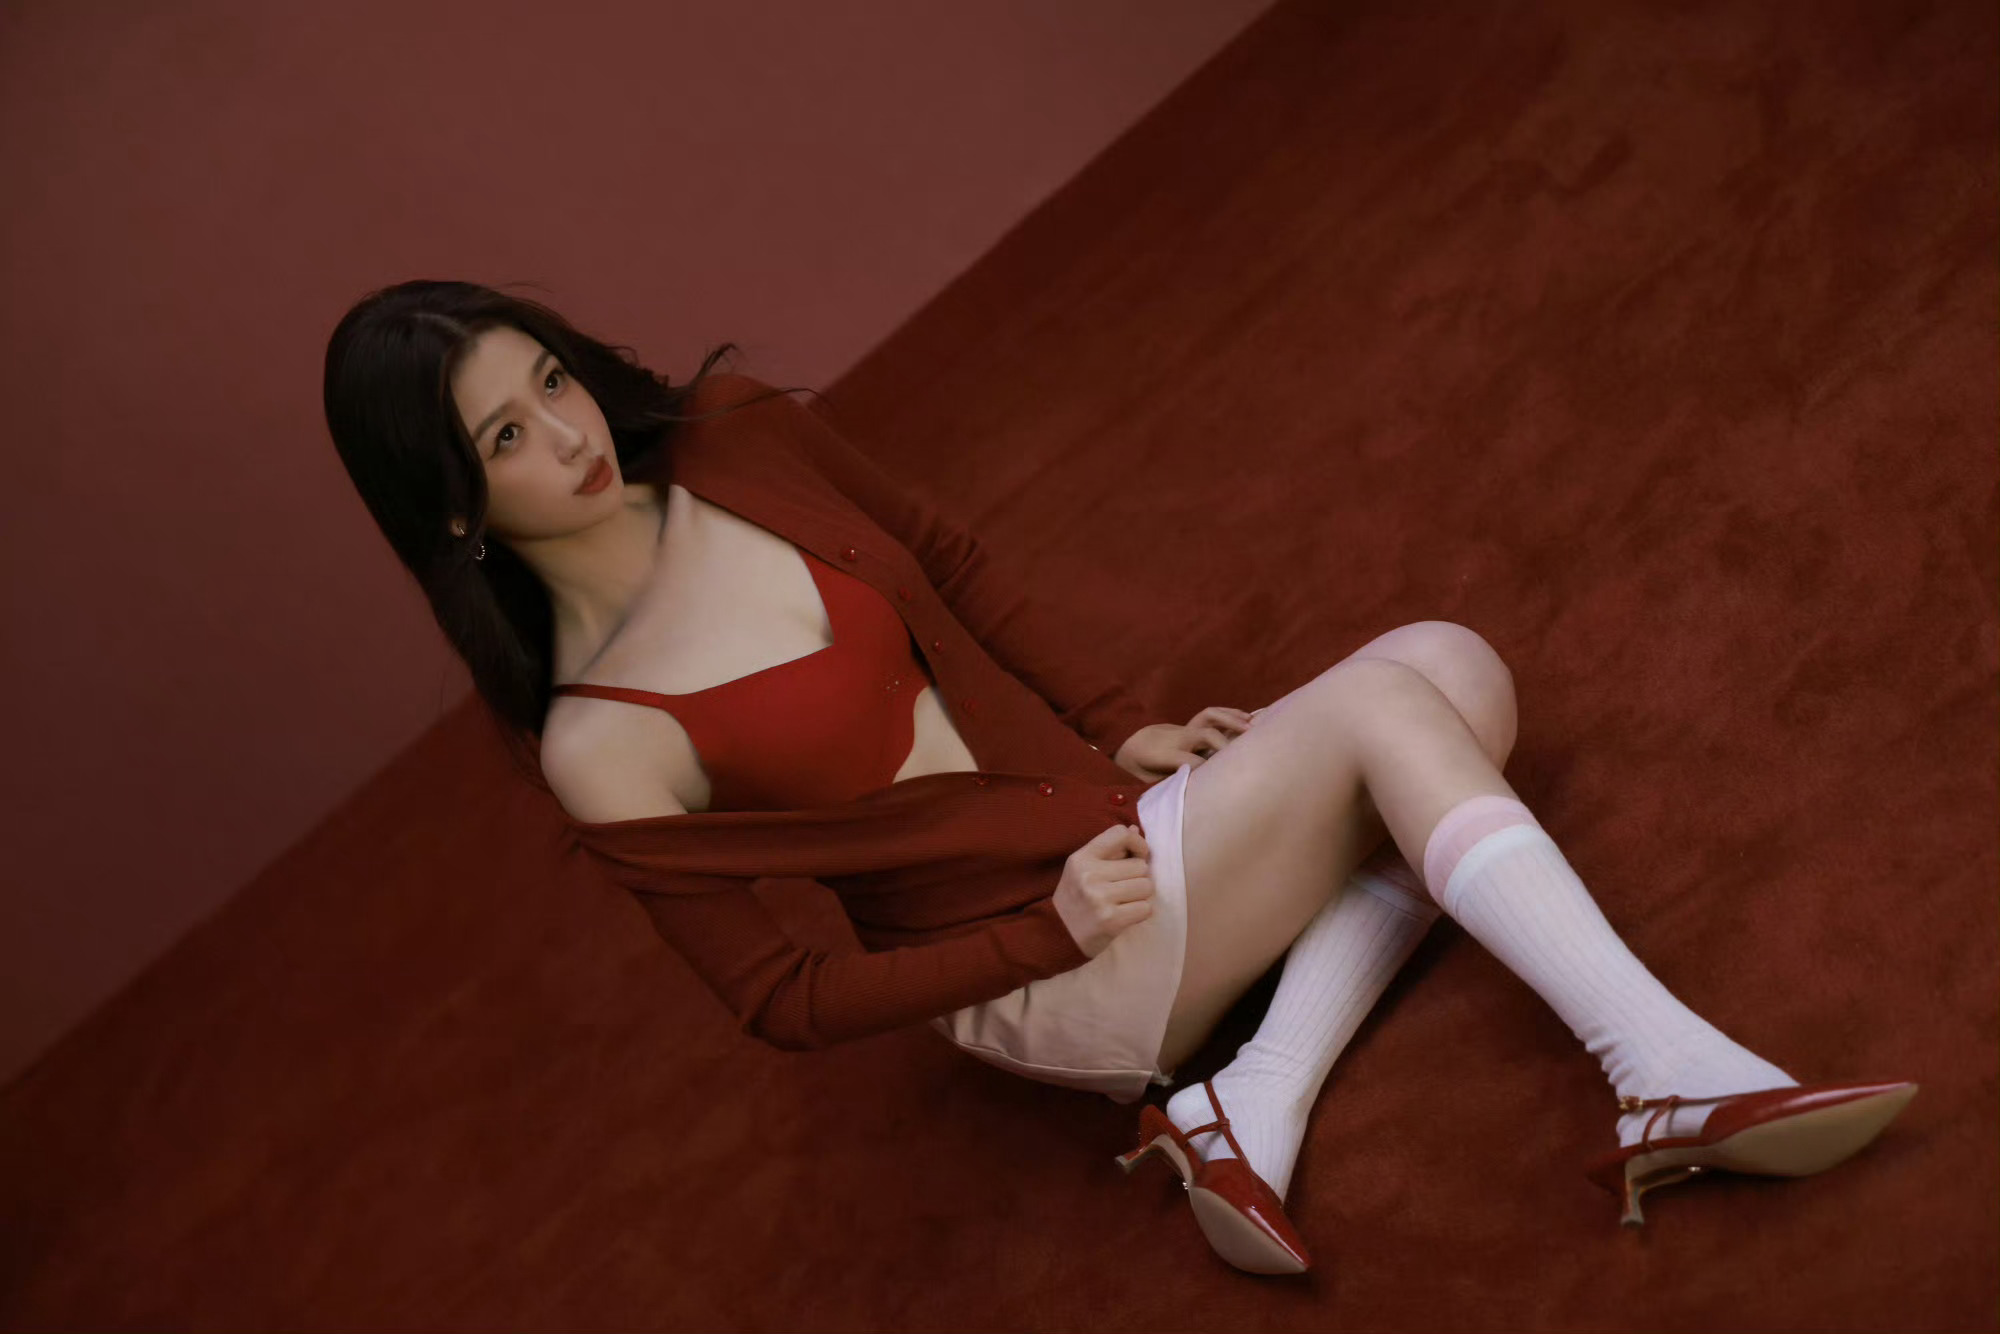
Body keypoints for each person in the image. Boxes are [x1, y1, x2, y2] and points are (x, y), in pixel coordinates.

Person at [324, 279, 1917, 1277]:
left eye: (550, 380)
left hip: (1108, 824)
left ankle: (1253, 1090)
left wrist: (1116, 724)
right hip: (1044, 965)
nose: (567, 433)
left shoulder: (736, 436)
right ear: (452, 509)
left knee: (1455, 664)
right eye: (505, 437)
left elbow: (949, 559)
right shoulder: (597, 739)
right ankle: (1659, 1069)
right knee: (1392, 705)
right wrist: (1047, 932)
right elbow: (785, 997)